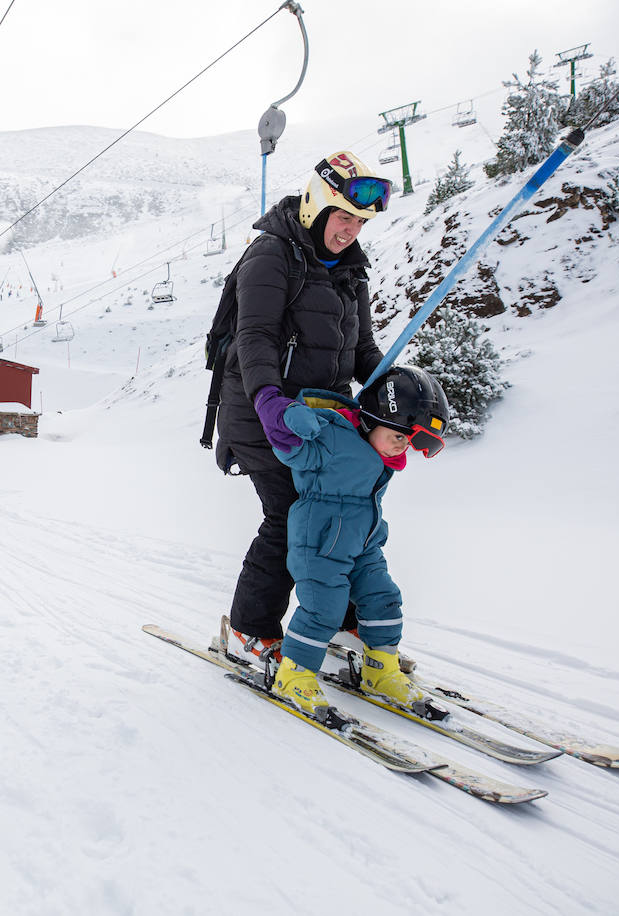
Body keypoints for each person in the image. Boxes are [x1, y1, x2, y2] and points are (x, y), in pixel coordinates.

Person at [216, 150, 391, 671]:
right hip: (260, 412)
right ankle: (250, 629)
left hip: (322, 420)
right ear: (317, 206)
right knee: (294, 514)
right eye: (344, 217)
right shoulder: (272, 255)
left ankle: (339, 621)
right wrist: (270, 400)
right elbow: (255, 336)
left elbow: (361, 352)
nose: (351, 231)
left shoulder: (351, 272)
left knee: (345, 511)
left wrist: (393, 391)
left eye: (360, 222)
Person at [261, 366, 449, 720]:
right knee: (324, 609)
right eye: (399, 435)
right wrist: (287, 418)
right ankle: (294, 674)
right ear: (374, 418)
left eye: (408, 439)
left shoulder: (383, 455)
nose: (403, 444)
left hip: (365, 545)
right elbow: (287, 447)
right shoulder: (332, 436)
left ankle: (381, 671)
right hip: (320, 544)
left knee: (385, 599)